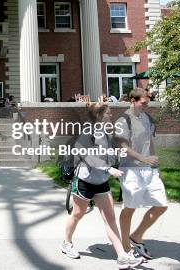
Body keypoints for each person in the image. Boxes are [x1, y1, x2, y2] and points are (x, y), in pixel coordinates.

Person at [61, 102, 143, 269]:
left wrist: (117, 158)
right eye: (108, 113)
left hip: (101, 182)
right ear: (99, 115)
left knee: (110, 219)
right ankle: (66, 243)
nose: (111, 116)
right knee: (77, 214)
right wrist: (108, 168)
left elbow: (107, 154)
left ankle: (122, 256)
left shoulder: (106, 132)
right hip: (85, 181)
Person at [115, 87, 168, 260]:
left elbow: (150, 142)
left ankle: (136, 236)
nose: (146, 105)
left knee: (161, 205)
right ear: (133, 101)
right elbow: (123, 146)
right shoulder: (123, 120)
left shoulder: (147, 118)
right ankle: (125, 246)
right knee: (130, 207)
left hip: (149, 170)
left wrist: (155, 166)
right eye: (144, 103)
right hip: (130, 169)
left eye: (148, 103)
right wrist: (143, 159)